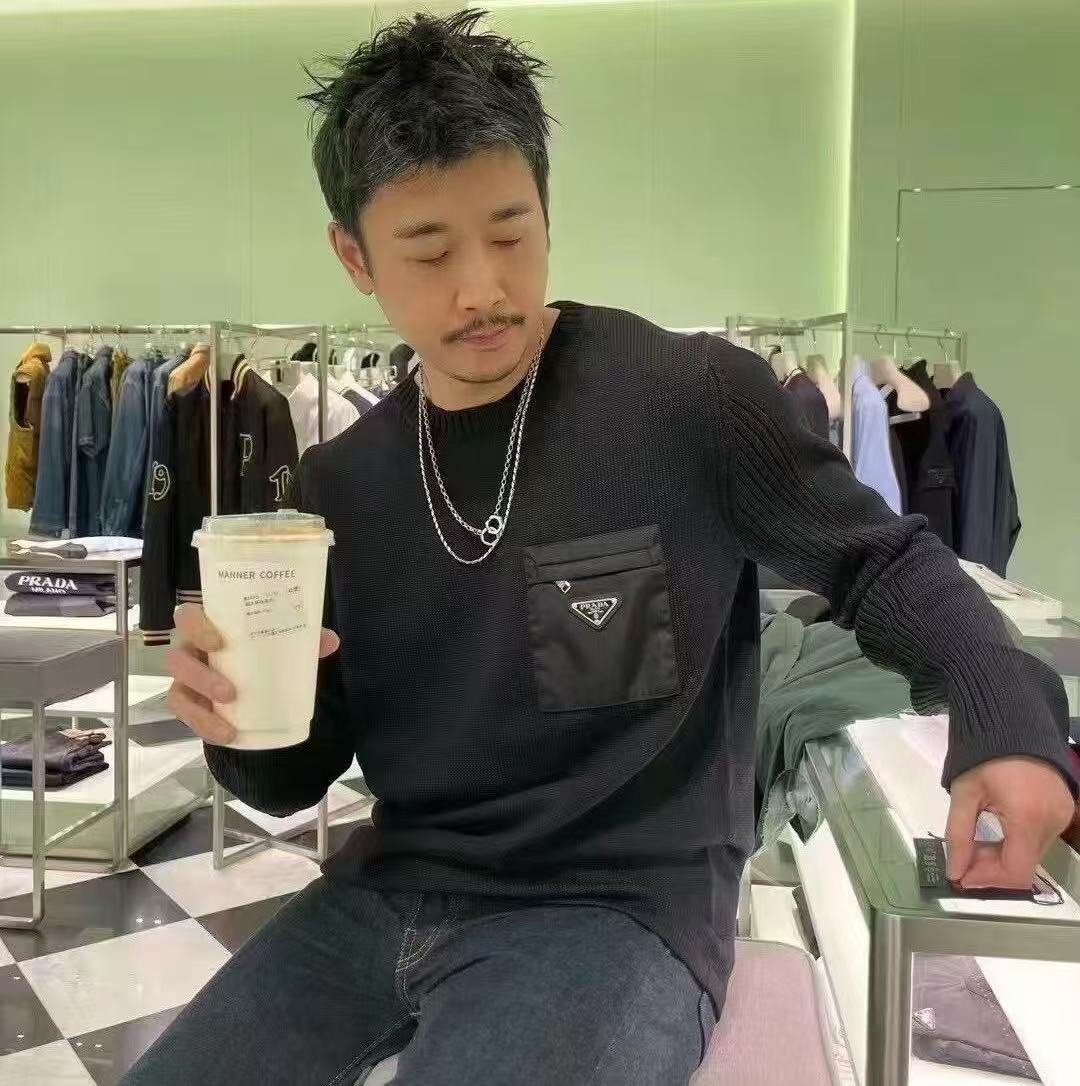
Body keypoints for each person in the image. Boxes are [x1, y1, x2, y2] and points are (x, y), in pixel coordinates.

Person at [123, 11, 1076, 1086]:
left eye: (510, 233)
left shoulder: (687, 400)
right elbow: (291, 778)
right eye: (428, 251)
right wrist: (231, 717)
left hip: (620, 910)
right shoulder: (342, 485)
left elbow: (880, 562)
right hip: (382, 894)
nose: (482, 288)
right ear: (355, 257)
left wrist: (1006, 714)